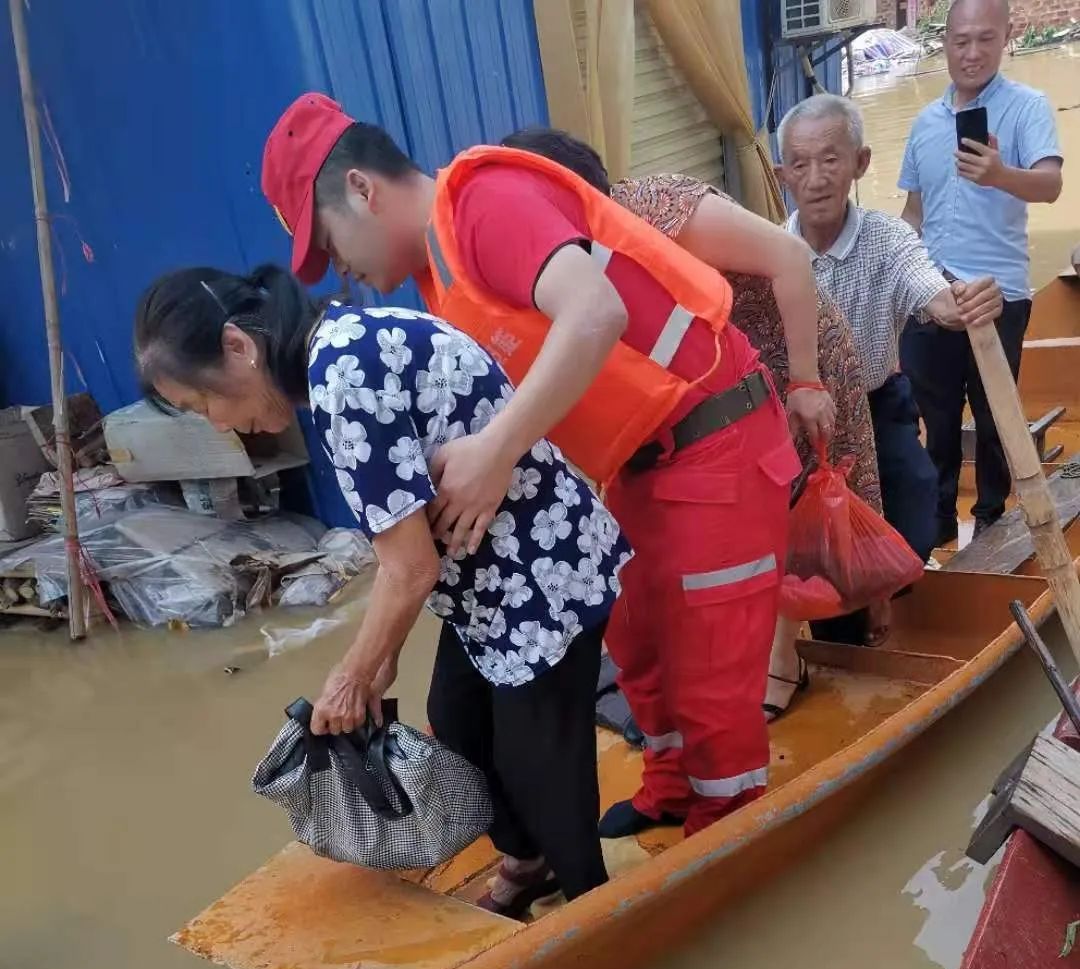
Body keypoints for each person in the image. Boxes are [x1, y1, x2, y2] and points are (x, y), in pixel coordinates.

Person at [261, 95, 827, 839]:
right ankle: (669, 789)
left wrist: (494, 453)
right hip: (637, 460)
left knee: (710, 671)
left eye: (331, 244)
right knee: (635, 640)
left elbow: (596, 314)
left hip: (714, 437)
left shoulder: (479, 204)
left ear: (363, 190)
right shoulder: (440, 279)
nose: (341, 270)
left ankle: (728, 826)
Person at [133, 266, 631, 918]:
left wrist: (353, 674)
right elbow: (405, 548)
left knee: (538, 762)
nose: (223, 425)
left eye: (206, 406)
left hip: (542, 578)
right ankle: (528, 863)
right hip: (488, 588)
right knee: (457, 726)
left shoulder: (344, 381)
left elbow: (408, 570)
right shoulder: (340, 348)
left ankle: (592, 907)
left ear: (237, 347)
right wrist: (378, 657)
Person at [500, 124, 886, 683]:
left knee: (818, 510)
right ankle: (773, 653)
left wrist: (806, 380)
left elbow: (791, 258)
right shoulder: (574, 255)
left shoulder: (659, 210)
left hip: (795, 351)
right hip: (721, 377)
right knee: (758, 515)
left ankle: (829, 655)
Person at [778, 92, 1003, 575]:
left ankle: (889, 593)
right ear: (783, 177)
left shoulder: (889, 238)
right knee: (810, 549)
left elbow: (930, 290)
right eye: (800, 165)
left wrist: (963, 301)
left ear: (860, 164)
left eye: (831, 160)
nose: (816, 180)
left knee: (915, 521)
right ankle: (843, 626)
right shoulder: (768, 253)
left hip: (878, 403)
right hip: (799, 424)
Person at [898, 0, 1063, 541]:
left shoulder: (1026, 107)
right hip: (931, 291)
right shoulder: (924, 122)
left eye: (984, 40)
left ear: (1007, 37)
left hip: (999, 292)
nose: (971, 53)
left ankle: (991, 518)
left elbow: (1050, 185)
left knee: (994, 417)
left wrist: (998, 175)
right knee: (935, 417)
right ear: (943, 42)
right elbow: (914, 213)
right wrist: (899, 279)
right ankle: (940, 525)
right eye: (961, 40)